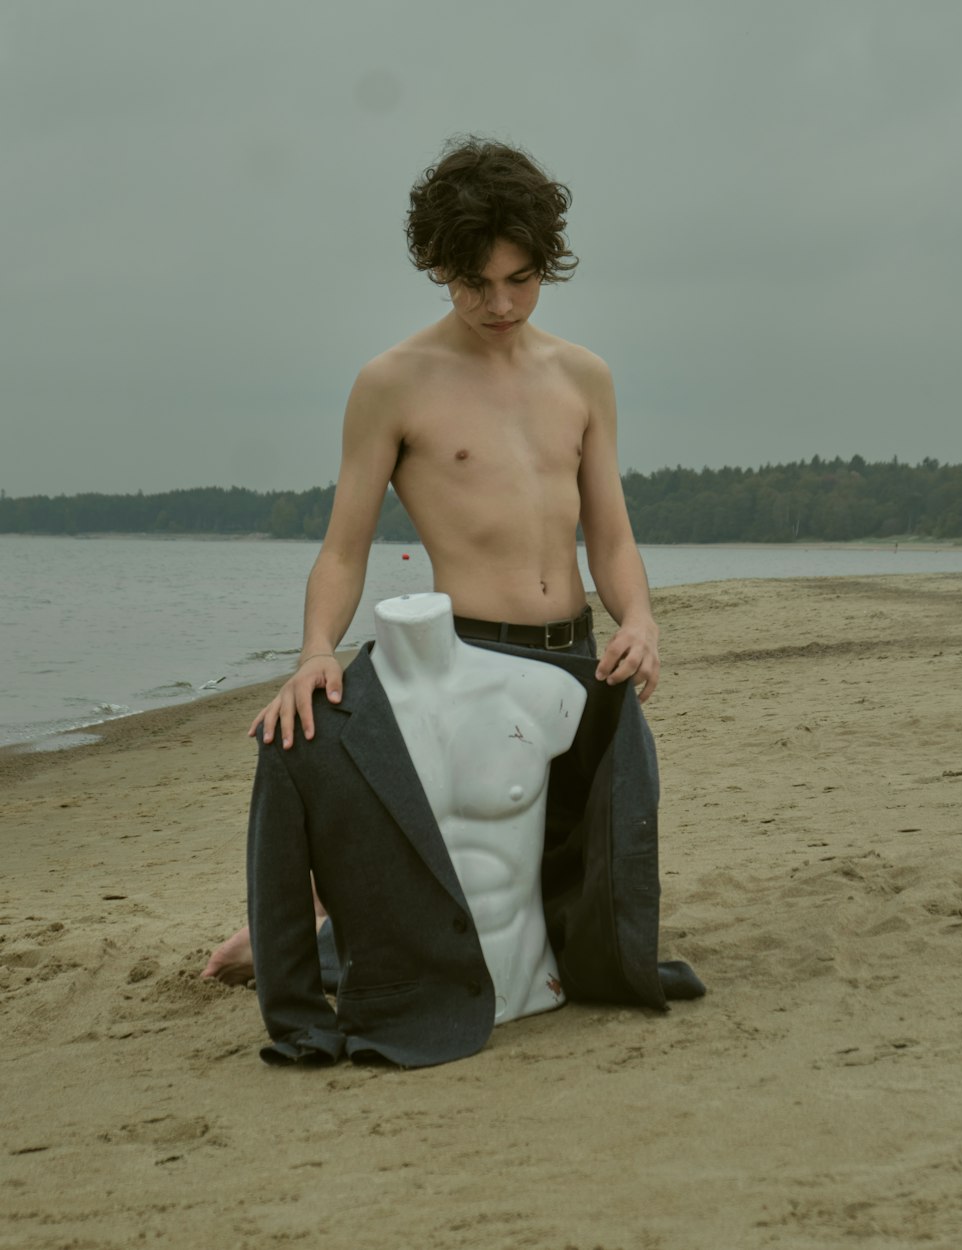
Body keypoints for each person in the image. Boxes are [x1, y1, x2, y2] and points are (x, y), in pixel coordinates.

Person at [204, 136, 665, 986]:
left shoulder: (584, 377)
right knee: (322, 750)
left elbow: (611, 537)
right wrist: (314, 653)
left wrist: (639, 618)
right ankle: (304, 923)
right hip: (467, 663)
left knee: (580, 934)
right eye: (473, 284)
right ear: (437, 268)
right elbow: (343, 550)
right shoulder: (394, 383)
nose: (499, 304)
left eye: (519, 280)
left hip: (576, 660)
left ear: (546, 264)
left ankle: (336, 924)